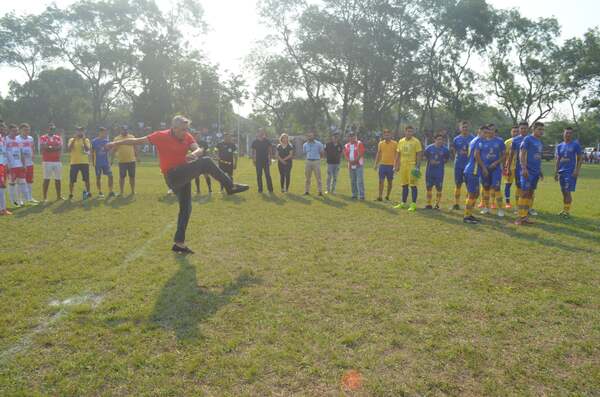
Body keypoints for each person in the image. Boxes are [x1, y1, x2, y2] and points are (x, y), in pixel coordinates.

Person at [105, 115, 249, 254]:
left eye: (187, 129)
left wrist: (195, 154)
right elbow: (136, 141)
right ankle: (230, 186)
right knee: (206, 162)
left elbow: (198, 149)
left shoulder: (187, 136)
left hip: (183, 173)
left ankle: (179, 243)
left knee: (186, 208)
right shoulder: (160, 135)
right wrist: (115, 143)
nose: (185, 132)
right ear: (173, 128)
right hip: (172, 176)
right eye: (182, 129)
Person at [515, 122, 544, 226]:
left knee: (530, 193)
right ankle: (519, 217)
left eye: (542, 130)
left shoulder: (539, 142)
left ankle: (525, 216)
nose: (541, 131)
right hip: (527, 171)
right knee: (524, 193)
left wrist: (540, 171)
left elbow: (538, 157)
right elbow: (521, 153)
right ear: (534, 130)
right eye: (539, 129)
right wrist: (523, 168)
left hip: (535, 172)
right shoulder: (528, 139)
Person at [476, 124, 506, 217]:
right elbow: (477, 156)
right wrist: (484, 167)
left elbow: (504, 155)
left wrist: (496, 163)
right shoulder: (481, 141)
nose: (491, 132)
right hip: (484, 169)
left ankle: (500, 209)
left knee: (497, 188)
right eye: (489, 130)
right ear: (487, 131)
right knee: (486, 188)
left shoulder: (500, 141)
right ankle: (486, 207)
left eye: (493, 130)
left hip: (496, 169)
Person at [555, 127, 582, 218]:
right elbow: (558, 159)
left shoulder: (575, 145)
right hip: (561, 172)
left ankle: (567, 211)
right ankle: (564, 209)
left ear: (572, 134)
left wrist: (576, 170)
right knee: (563, 191)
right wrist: (556, 172)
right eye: (566, 133)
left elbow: (579, 159)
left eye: (570, 133)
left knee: (567, 191)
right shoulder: (559, 146)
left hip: (570, 172)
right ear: (563, 134)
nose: (568, 135)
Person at [394, 126, 422, 212]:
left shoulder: (416, 141)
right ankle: (403, 202)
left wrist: (417, 167)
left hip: (412, 166)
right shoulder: (401, 141)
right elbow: (398, 154)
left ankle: (413, 204)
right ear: (405, 132)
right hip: (403, 166)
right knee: (404, 185)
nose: (409, 133)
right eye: (408, 131)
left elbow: (419, 154)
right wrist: (396, 165)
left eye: (411, 132)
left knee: (413, 185)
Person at [463, 127, 485, 224]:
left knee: (475, 194)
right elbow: (476, 155)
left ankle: (469, 214)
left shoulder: (473, 141)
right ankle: (466, 216)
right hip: (473, 171)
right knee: (472, 194)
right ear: (479, 132)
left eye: (488, 133)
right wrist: (484, 168)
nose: (486, 134)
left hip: (470, 170)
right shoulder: (479, 141)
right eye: (484, 132)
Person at [451, 121, 475, 210]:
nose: (465, 128)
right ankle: (456, 203)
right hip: (458, 165)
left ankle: (467, 203)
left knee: (469, 185)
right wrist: (456, 157)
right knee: (458, 184)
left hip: (469, 165)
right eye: (463, 127)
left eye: (466, 127)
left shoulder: (473, 138)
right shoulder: (456, 139)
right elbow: (453, 149)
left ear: (469, 127)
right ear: (460, 128)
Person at [423, 133, 450, 209]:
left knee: (439, 188)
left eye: (441, 139)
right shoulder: (429, 148)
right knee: (429, 188)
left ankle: (437, 204)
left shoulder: (445, 150)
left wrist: (441, 162)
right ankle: (428, 204)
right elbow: (425, 157)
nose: (440, 141)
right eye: (438, 139)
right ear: (435, 140)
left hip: (439, 172)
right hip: (430, 172)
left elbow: (447, 159)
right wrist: (430, 160)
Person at [508, 121, 530, 215]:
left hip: (531, 168)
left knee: (530, 189)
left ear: (528, 129)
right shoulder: (515, 140)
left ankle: (528, 207)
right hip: (519, 168)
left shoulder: (532, 139)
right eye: (522, 128)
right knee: (519, 188)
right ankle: (518, 207)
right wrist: (508, 167)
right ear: (519, 129)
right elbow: (511, 154)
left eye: (525, 128)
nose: (523, 130)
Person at [6, 124, 28, 207]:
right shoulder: (5, 140)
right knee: (12, 184)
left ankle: (20, 200)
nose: (15, 132)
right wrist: (7, 165)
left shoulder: (19, 140)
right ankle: (13, 202)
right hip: (11, 166)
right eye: (13, 131)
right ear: (9, 131)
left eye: (16, 131)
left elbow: (22, 153)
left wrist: (24, 164)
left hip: (19, 165)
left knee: (22, 183)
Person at [40, 123, 64, 201]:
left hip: (57, 161)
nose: (52, 130)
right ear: (47, 129)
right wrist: (54, 147)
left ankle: (59, 196)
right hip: (47, 161)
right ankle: (45, 197)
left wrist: (50, 147)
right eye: (50, 129)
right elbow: (44, 147)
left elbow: (60, 147)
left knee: (58, 179)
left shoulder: (58, 137)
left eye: (53, 129)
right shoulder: (43, 137)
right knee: (46, 179)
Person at [112, 126, 137, 196]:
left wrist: (137, 156)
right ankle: (121, 191)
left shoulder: (132, 137)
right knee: (122, 177)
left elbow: (135, 147)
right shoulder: (117, 139)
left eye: (126, 130)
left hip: (132, 161)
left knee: (132, 176)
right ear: (121, 130)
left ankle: (133, 191)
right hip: (122, 161)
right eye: (123, 130)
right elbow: (114, 150)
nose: (125, 131)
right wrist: (112, 159)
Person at [373, 129, 397, 201]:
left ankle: (387, 196)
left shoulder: (395, 143)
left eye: (388, 134)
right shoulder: (380, 143)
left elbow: (397, 155)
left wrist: (396, 165)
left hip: (391, 166)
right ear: (383, 135)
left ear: (391, 135)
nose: (387, 136)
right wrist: (376, 164)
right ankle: (380, 196)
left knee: (390, 182)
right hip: (382, 165)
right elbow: (379, 153)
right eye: (385, 134)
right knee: (381, 181)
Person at [68, 127, 92, 200]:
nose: (80, 132)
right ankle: (71, 194)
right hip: (74, 162)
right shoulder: (71, 140)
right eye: (78, 131)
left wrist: (84, 140)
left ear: (83, 132)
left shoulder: (86, 140)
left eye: (81, 131)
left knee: (86, 179)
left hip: (84, 162)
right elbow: (69, 149)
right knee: (72, 179)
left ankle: (88, 192)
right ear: (76, 132)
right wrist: (74, 139)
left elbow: (87, 149)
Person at [91, 127, 114, 198]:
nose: (105, 134)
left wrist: (110, 150)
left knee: (110, 176)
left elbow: (109, 151)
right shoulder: (94, 141)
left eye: (105, 132)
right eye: (104, 132)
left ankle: (110, 192)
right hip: (97, 163)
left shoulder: (107, 141)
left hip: (106, 163)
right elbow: (92, 152)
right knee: (98, 177)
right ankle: (100, 192)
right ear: (100, 132)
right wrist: (92, 162)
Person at [18, 123, 38, 204]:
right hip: (20, 163)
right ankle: (20, 199)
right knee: (21, 181)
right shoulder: (17, 138)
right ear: (20, 130)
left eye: (28, 130)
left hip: (30, 163)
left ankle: (29, 198)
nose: (26, 131)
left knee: (29, 181)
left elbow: (32, 147)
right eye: (24, 130)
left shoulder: (30, 138)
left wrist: (33, 154)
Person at [343, 132, 365, 200]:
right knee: (352, 180)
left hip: (358, 165)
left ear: (355, 137)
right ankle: (354, 194)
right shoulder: (346, 145)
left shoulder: (359, 143)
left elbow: (361, 153)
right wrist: (350, 161)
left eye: (353, 136)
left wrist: (355, 160)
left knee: (360, 181)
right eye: (350, 136)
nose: (352, 138)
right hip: (350, 165)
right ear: (348, 137)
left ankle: (361, 195)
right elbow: (345, 155)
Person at [302, 130, 324, 196]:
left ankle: (320, 192)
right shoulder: (305, 145)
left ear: (314, 136)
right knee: (307, 178)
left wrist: (319, 159)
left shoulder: (319, 144)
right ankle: (306, 191)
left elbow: (322, 153)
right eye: (308, 136)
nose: (309, 137)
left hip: (316, 161)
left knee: (318, 178)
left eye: (311, 136)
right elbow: (305, 152)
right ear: (307, 137)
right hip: (308, 161)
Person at [251, 129, 274, 193]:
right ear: (258, 133)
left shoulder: (267, 141)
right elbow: (253, 152)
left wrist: (270, 159)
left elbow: (270, 151)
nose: (261, 133)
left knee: (267, 175)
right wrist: (253, 160)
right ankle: (260, 189)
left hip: (266, 160)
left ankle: (270, 189)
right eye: (260, 132)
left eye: (262, 132)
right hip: (258, 161)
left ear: (264, 133)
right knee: (259, 175)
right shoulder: (255, 142)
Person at [503, 126, 519, 209]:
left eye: (517, 131)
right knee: (508, 184)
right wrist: (504, 167)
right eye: (514, 131)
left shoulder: (522, 141)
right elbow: (504, 156)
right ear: (511, 132)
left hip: (519, 167)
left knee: (519, 185)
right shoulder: (507, 142)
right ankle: (507, 202)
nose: (515, 133)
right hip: (509, 167)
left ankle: (518, 203)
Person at [0, 123, 10, 215]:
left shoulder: (4, 139)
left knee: (2, 186)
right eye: (1, 128)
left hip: (3, 165)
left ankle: (3, 208)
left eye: (4, 128)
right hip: (0, 165)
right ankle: (2, 209)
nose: (3, 130)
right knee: (2, 187)